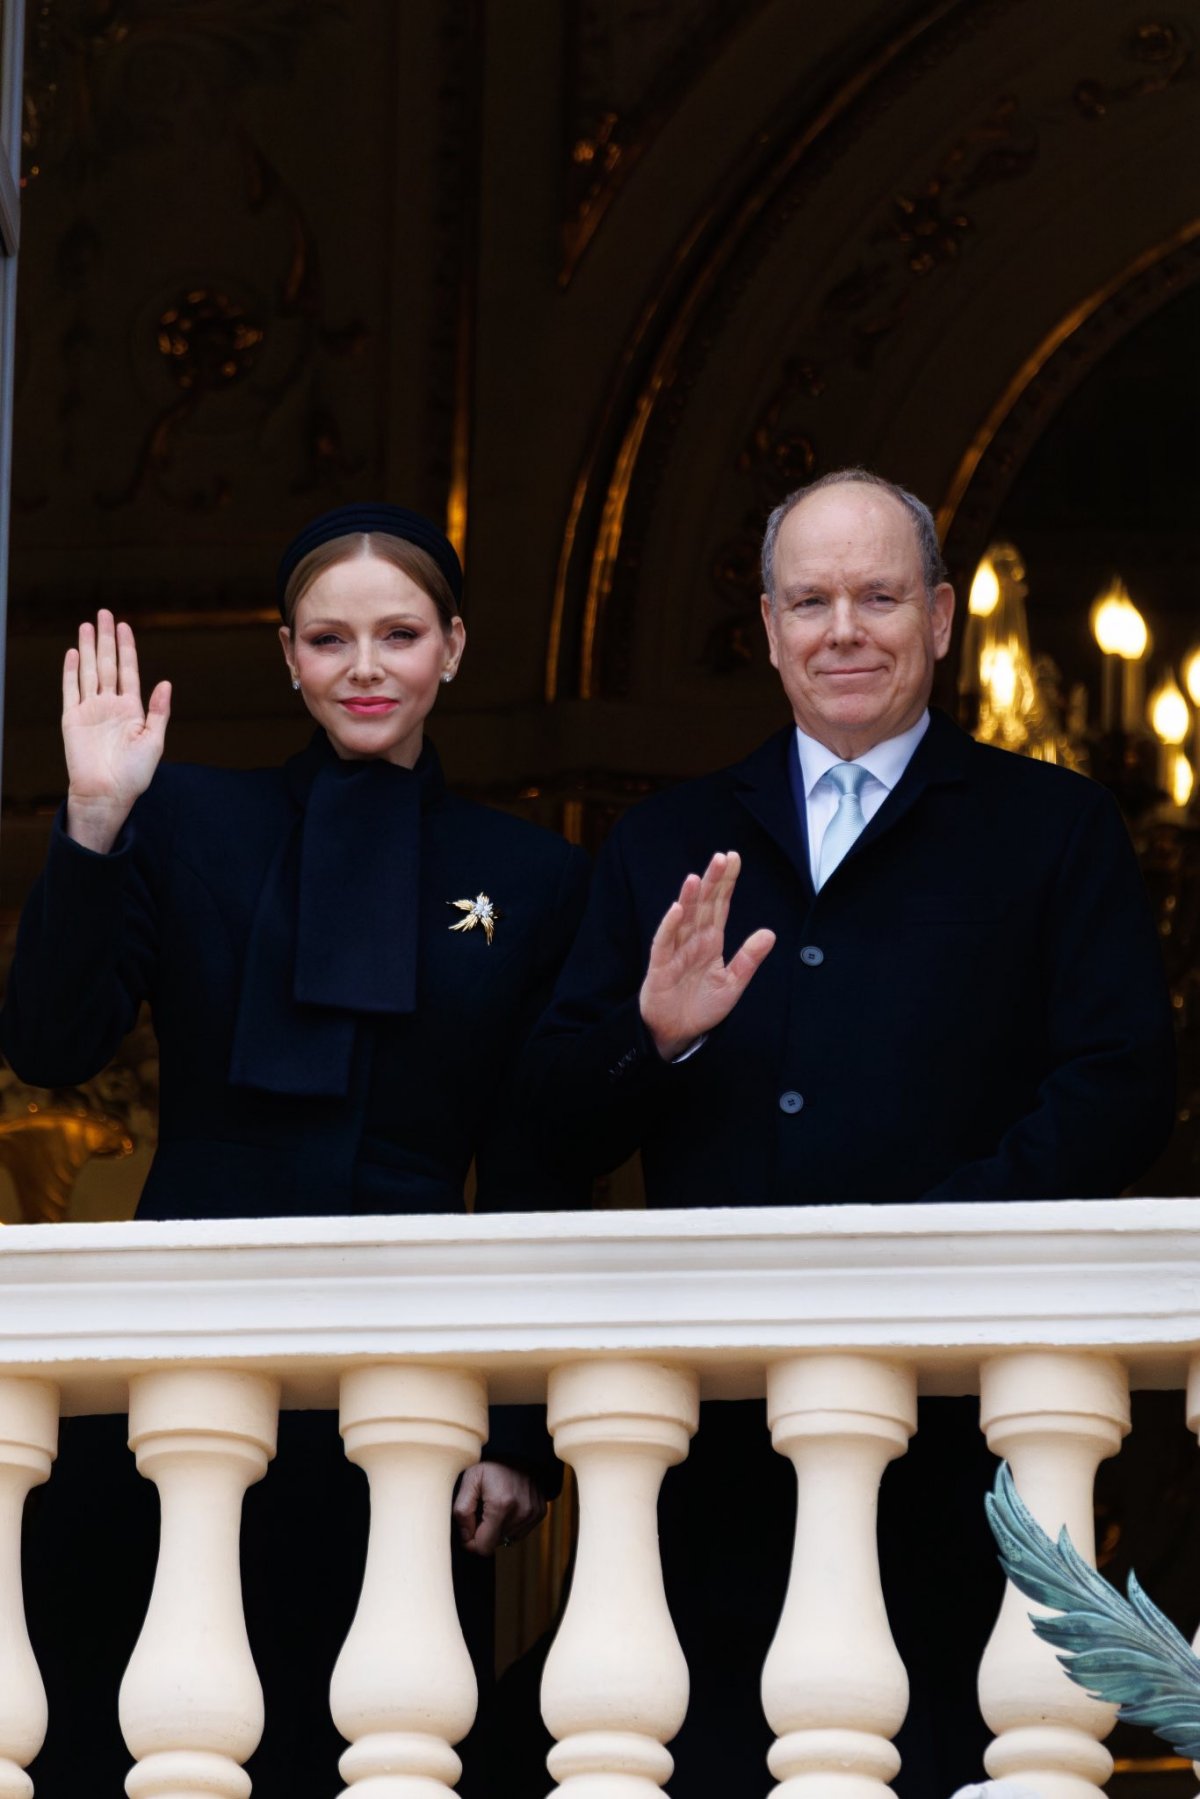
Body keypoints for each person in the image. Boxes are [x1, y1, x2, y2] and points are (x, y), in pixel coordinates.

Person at [522, 469, 1176, 1797]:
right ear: (766, 627)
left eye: (878, 596)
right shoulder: (667, 841)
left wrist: (931, 1245)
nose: (844, 630)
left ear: (941, 619)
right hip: (712, 1436)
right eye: (810, 600)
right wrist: (661, 1038)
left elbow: (1119, 1085)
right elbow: (545, 1126)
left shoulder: (1052, 828)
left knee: (954, 1755)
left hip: (971, 1424)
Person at [1, 503, 590, 1797]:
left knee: (372, 1740)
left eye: (398, 634)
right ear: (286, 657)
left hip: (411, 1367)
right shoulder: (184, 819)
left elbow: (534, 1162)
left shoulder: (530, 875)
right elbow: (48, 1043)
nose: (365, 666)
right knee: (133, 1722)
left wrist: (518, 1428)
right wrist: (95, 820)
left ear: (454, 650)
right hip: (179, 1340)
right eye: (331, 638)